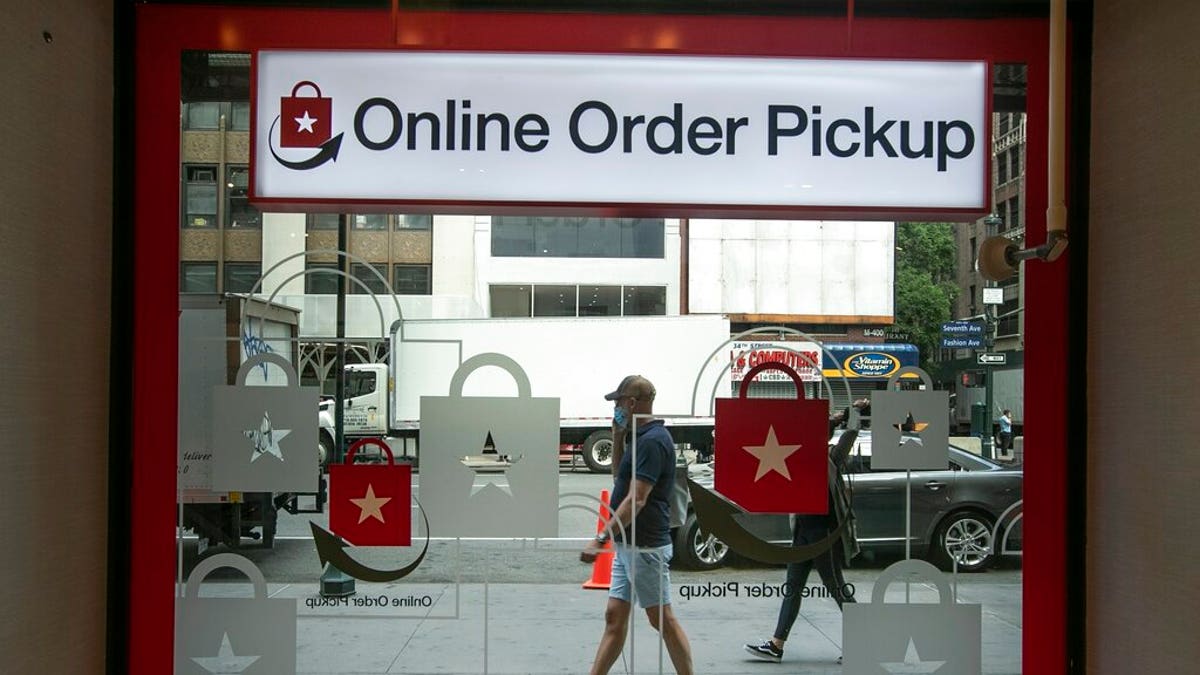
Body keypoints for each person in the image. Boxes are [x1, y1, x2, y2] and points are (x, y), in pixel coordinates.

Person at [582, 375, 693, 675]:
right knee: (614, 618)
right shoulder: (639, 438)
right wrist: (618, 436)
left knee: (662, 620)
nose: (616, 408)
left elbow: (637, 499)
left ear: (631, 403)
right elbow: (619, 478)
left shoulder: (654, 442)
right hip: (629, 546)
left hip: (646, 548)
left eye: (618, 402)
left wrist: (601, 537)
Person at [743, 430, 860, 664]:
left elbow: (848, 438)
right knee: (793, 589)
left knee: (836, 587)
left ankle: (863, 643)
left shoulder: (830, 457)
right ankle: (776, 646)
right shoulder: (794, 456)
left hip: (823, 533)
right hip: (802, 533)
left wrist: (853, 414)